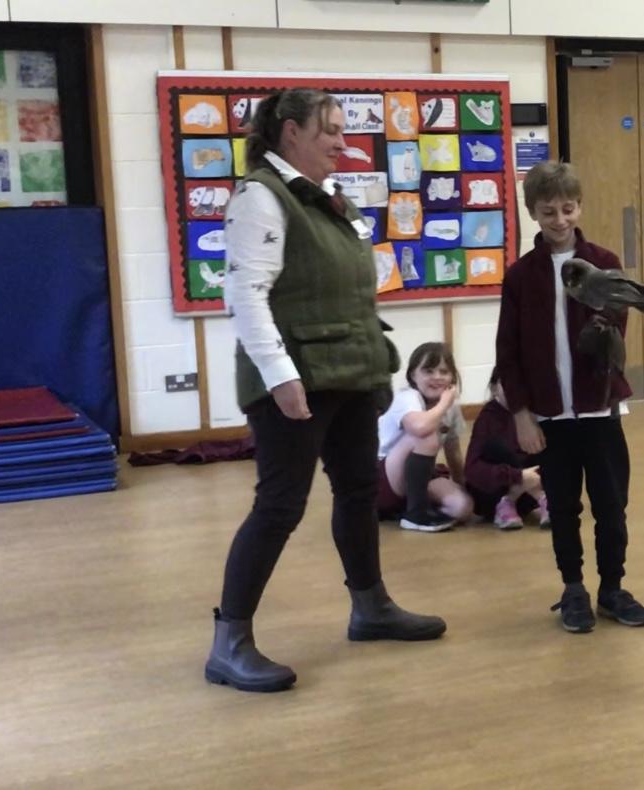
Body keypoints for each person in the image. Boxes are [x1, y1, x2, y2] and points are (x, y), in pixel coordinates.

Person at [207, 89, 444, 694]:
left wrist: (373, 371)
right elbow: (245, 295)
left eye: (342, 130)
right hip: (297, 382)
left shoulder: (327, 196)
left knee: (359, 492)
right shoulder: (261, 197)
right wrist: (280, 377)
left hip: (349, 374)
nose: (343, 142)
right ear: (291, 132)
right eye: (331, 131)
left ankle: (371, 608)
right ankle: (229, 643)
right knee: (280, 506)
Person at [494, 160, 644, 633]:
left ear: (579, 206)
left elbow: (618, 327)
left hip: (600, 409)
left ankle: (612, 588)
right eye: (548, 212)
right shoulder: (521, 277)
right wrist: (522, 413)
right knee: (562, 508)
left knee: (611, 504)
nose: (559, 220)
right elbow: (508, 351)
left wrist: (604, 330)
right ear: (533, 213)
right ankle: (573, 589)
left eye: (567, 209)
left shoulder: (604, 262)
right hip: (549, 416)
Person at [375, 342, 474, 531]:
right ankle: (416, 514)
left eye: (444, 372)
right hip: (382, 477)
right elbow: (420, 428)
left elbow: (453, 453)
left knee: (462, 507)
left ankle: (408, 508)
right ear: (413, 375)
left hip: (417, 478)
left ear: (452, 376)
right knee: (426, 435)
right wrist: (444, 404)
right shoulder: (407, 397)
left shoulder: (451, 408)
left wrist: (462, 485)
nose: (437, 377)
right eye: (428, 371)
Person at [464, 367, 550, 530]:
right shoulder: (487, 418)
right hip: (492, 495)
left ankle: (512, 500)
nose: (516, 391)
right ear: (494, 388)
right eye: (508, 384)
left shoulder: (535, 414)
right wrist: (518, 476)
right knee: (497, 448)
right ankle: (535, 498)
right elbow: (472, 469)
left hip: (526, 496)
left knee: (546, 446)